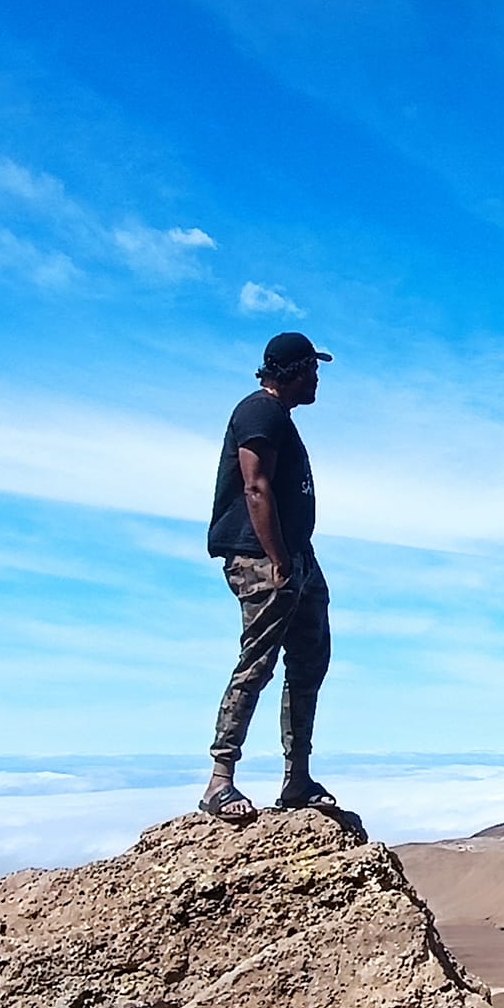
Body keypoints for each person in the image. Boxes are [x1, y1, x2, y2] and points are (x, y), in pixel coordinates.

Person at [200, 330, 337, 822]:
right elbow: (256, 487)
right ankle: (220, 781)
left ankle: (297, 778)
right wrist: (278, 558)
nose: (317, 377)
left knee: (310, 660)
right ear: (294, 371)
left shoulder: (279, 417)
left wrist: (295, 555)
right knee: (257, 660)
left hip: (296, 554)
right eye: (313, 369)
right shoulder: (258, 412)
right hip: (263, 558)